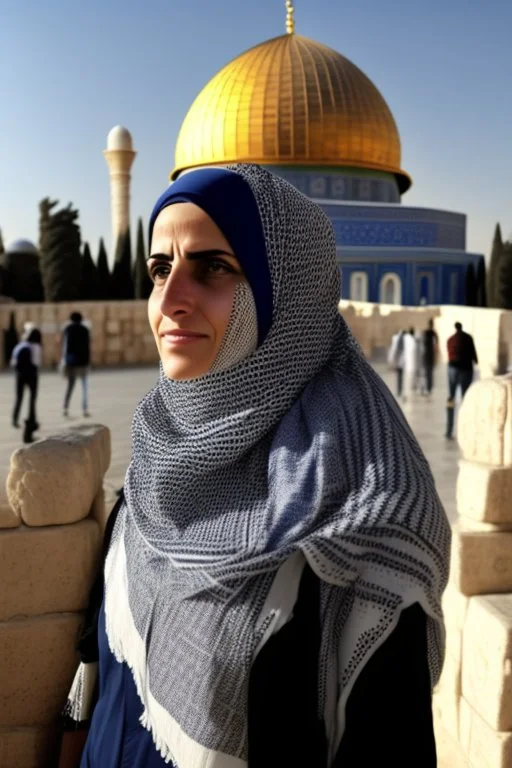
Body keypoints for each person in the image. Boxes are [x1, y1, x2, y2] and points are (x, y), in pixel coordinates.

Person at [61, 166, 450, 768]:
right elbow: (95, 671)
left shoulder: (360, 523)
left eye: (213, 267)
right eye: (160, 268)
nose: (169, 300)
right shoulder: (157, 457)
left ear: (287, 293)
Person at [445, 321, 478, 439]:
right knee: (465, 399)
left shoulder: (450, 339)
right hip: (465, 369)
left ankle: (449, 430)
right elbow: (474, 355)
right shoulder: (468, 338)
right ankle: (465, 429)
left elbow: (449, 354)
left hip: (452, 369)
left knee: (451, 398)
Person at [10, 327, 42, 443]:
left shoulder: (20, 345)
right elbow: (36, 362)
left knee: (19, 397)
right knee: (32, 399)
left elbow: (13, 362)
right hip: (31, 375)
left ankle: (15, 418)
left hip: (19, 375)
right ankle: (31, 420)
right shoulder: (35, 347)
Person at [61, 312, 91, 417]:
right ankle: (85, 409)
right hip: (83, 362)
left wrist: (64, 360)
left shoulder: (68, 329)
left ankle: (65, 407)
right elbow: (87, 347)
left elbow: (65, 346)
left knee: (70, 386)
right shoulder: (85, 329)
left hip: (72, 361)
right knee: (84, 387)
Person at [401, 327, 420, 403]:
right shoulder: (409, 340)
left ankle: (410, 394)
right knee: (408, 381)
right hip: (409, 364)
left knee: (411, 381)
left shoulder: (411, 340)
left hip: (411, 364)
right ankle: (406, 395)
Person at [421, 319, 438, 396]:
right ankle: (429, 388)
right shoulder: (433, 334)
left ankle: (428, 388)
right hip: (429, 356)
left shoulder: (427, 333)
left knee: (428, 373)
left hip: (427, 356)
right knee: (429, 373)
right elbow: (436, 346)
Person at [387, 328, 405, 398]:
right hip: (400, 362)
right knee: (400, 377)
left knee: (400, 377)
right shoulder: (400, 341)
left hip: (400, 362)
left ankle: (399, 390)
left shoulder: (399, 341)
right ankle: (399, 390)